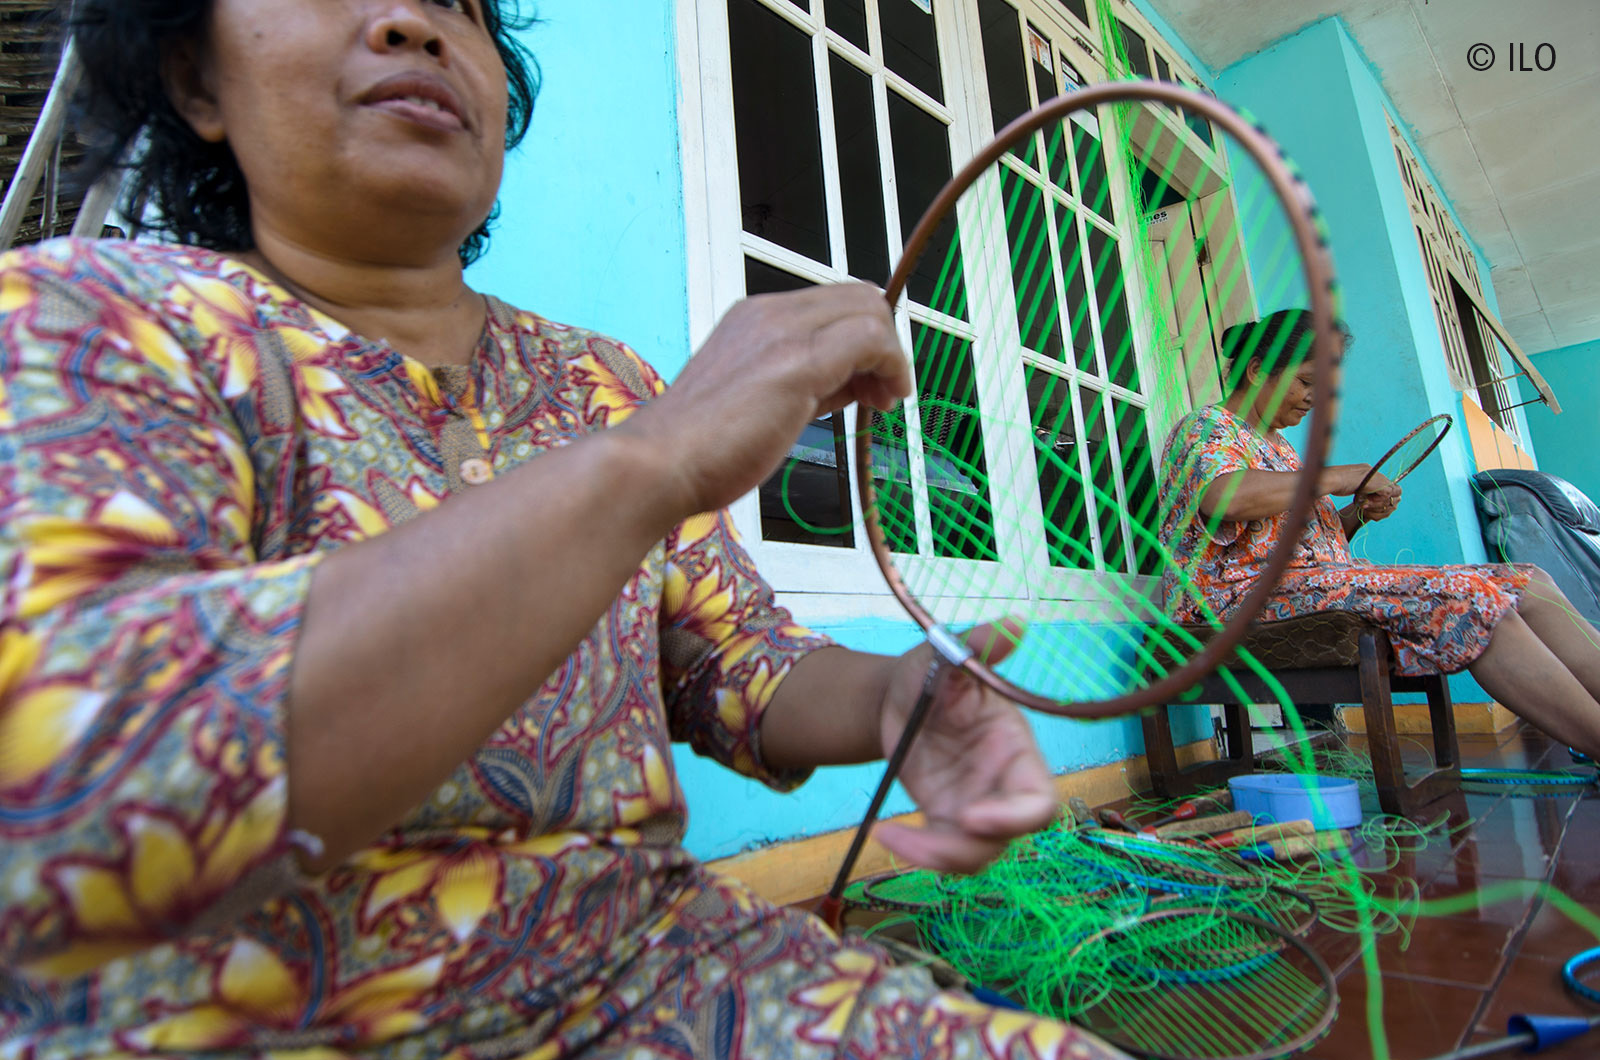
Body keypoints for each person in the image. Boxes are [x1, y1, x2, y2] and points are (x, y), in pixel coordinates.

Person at [0, 2, 1136, 1058]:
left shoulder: (595, 381)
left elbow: (741, 665)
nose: (412, 23)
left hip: (651, 973)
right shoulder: (92, 321)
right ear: (198, 78)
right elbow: (69, 800)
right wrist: (653, 457)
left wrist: (897, 703)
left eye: (459, 3)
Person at [1158, 308, 1600, 759]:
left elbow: (1302, 549)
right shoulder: (1208, 428)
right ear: (1256, 371)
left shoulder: (1282, 449)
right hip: (1233, 601)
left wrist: (1357, 515)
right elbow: (1224, 500)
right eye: (1307, 382)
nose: (1315, 398)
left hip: (1300, 587)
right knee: (1468, 596)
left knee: (1529, 582)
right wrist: (1342, 476)